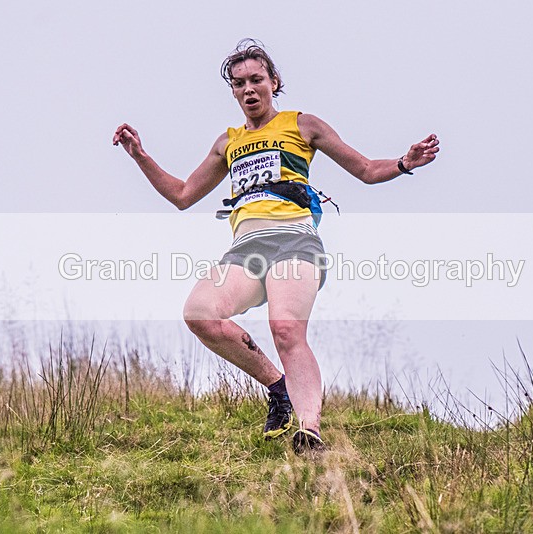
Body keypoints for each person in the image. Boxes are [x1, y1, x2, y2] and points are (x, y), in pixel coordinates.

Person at [113, 39, 439, 454]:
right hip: (246, 248)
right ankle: (278, 387)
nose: (248, 89)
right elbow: (182, 195)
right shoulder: (227, 142)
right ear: (233, 92)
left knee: (285, 328)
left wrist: (404, 162)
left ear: (273, 82)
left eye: (256, 80)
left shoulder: (303, 125)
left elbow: (365, 169)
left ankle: (309, 432)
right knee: (199, 314)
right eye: (239, 83)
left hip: (295, 242)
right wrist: (140, 155)